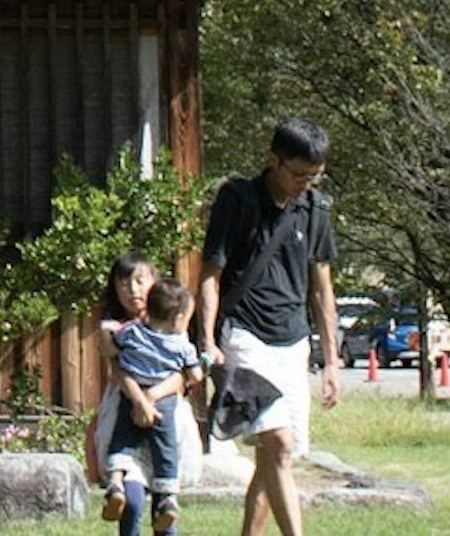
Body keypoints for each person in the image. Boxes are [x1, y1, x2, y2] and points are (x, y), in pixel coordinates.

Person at [192, 116, 341, 536]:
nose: (305, 183)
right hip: (245, 335)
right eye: (298, 174)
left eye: (315, 175)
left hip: (293, 343)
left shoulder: (315, 209)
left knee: (275, 459)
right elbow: (209, 275)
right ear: (274, 159)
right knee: (278, 443)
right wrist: (207, 340)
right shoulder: (237, 200)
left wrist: (331, 361)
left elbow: (322, 290)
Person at [100, 268, 204, 530]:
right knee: (165, 455)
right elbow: (192, 375)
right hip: (159, 408)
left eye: (140, 281)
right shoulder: (179, 342)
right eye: (125, 281)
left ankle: (115, 482)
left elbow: (113, 350)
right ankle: (168, 498)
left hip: (136, 404)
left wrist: (146, 398)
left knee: (121, 445)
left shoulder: (131, 332)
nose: (133, 289)